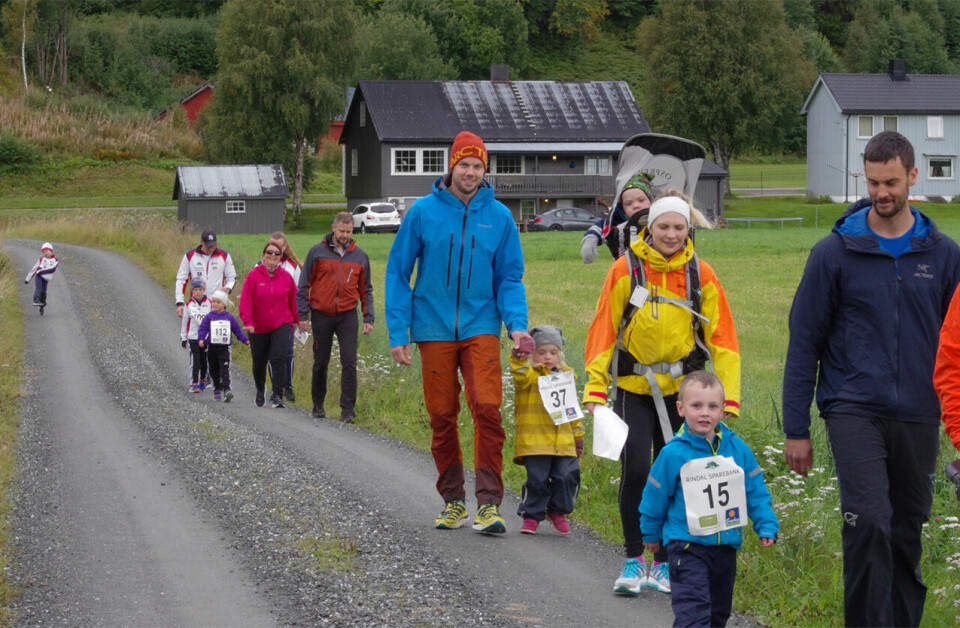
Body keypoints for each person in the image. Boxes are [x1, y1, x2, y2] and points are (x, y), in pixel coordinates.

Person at [783, 130, 960, 627]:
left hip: (921, 415)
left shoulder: (945, 256)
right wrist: (796, 429)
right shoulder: (834, 253)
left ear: (912, 177)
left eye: (892, 182)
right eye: (874, 182)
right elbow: (803, 344)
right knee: (869, 524)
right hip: (853, 407)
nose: (882, 192)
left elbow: (958, 348)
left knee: (906, 531)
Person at [582, 191, 740, 596]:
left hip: (683, 394)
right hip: (632, 388)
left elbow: (722, 337)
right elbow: (603, 329)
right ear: (648, 228)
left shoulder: (700, 273)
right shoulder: (624, 269)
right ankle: (634, 559)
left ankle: (666, 563)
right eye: (663, 226)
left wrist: (729, 397)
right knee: (636, 470)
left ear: (689, 230)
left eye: (679, 227)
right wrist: (596, 388)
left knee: (682, 475)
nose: (671, 234)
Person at [385, 130, 533, 535]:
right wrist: (398, 331)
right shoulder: (422, 212)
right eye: (464, 164)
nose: (470, 172)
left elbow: (509, 278)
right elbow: (398, 272)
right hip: (432, 328)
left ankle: (488, 504)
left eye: (478, 166)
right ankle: (453, 501)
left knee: (486, 408)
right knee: (441, 414)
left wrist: (517, 327)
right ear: (451, 166)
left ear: (486, 170)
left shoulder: (500, 217)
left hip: (481, 324)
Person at [641, 371, 778, 627]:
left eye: (712, 406)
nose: (705, 413)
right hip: (686, 546)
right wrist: (650, 533)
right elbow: (654, 496)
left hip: (725, 548)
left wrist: (765, 523)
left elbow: (755, 490)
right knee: (694, 613)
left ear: (723, 410)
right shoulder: (673, 454)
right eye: (697, 406)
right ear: (681, 409)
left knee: (717, 614)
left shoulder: (738, 450)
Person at [297, 213, 374, 423]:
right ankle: (318, 405)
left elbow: (366, 290)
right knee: (321, 361)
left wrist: (369, 317)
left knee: (349, 362)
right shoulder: (317, 252)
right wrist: (303, 315)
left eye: (349, 232)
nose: (345, 235)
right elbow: (303, 285)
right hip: (321, 314)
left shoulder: (360, 257)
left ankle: (347, 409)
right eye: (342, 231)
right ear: (334, 228)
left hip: (348, 315)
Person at [509, 324, 583, 536]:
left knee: (567, 475)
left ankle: (558, 511)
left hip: (564, 441)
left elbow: (572, 411)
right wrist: (519, 357)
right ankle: (532, 515)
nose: (547, 357)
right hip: (535, 441)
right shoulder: (530, 377)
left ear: (560, 354)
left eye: (552, 352)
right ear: (533, 355)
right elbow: (520, 374)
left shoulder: (566, 377)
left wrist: (578, 436)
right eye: (541, 353)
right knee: (537, 479)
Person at [239, 241, 299, 409]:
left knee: (279, 356)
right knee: (259, 362)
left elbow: (293, 301)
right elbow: (245, 301)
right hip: (258, 326)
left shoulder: (286, 277)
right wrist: (248, 322)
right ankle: (260, 388)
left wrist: (299, 320)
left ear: (281, 258)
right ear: (264, 255)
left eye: (276, 254)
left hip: (282, 323)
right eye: (269, 253)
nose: (272, 256)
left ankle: (278, 394)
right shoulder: (253, 276)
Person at [260, 232, 301, 403]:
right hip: (266, 318)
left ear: (285, 247)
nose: (275, 251)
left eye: (279, 247)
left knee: (287, 352)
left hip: (286, 317)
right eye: (272, 246)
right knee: (271, 353)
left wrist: (300, 317)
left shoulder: (293, 267)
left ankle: (287, 386)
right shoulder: (260, 266)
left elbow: (300, 293)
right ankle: (276, 387)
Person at [581, 173, 655, 263]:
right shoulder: (616, 221)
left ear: (650, 200)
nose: (636, 205)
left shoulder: (660, 218)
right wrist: (590, 239)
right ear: (622, 208)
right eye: (628, 203)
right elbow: (600, 227)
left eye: (641, 200)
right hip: (623, 270)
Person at [198, 290, 249, 402]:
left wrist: (245, 340)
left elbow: (237, 330)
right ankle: (216, 389)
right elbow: (203, 329)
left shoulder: (229, 317)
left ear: (224, 304)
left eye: (218, 302)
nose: (215, 304)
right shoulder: (209, 317)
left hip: (224, 348)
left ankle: (227, 390)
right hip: (211, 347)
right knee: (213, 370)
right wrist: (201, 339)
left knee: (225, 370)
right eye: (214, 301)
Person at [174, 229, 237, 319]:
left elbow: (232, 278)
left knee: (216, 332)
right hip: (197, 304)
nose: (211, 249)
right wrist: (179, 303)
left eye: (213, 246)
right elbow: (181, 280)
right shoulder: (190, 256)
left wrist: (228, 288)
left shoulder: (224, 256)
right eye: (208, 246)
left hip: (217, 304)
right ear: (201, 242)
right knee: (196, 332)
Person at [180, 277, 212, 392]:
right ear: (192, 291)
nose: (198, 292)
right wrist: (183, 337)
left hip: (206, 338)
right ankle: (193, 382)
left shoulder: (209, 303)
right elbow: (185, 322)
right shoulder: (189, 304)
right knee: (195, 360)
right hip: (193, 337)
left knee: (205, 360)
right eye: (195, 290)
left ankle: (203, 379)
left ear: (204, 290)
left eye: (200, 289)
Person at [24, 242, 59, 306]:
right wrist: (27, 279)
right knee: (38, 287)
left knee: (43, 293)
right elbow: (34, 269)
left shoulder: (55, 260)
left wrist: (42, 272)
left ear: (51, 251)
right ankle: (36, 299)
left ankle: (42, 304)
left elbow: (52, 269)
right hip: (39, 276)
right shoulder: (42, 259)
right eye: (43, 252)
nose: (45, 253)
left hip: (46, 279)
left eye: (46, 251)